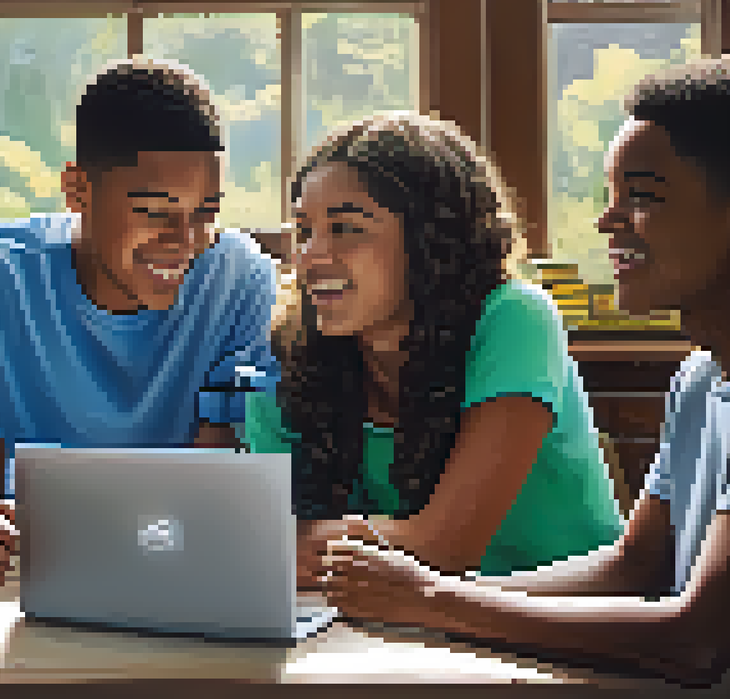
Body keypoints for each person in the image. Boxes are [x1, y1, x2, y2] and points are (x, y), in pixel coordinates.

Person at [321, 58, 730, 687]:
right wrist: (411, 606)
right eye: (611, 197)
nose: (608, 221)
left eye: (643, 198)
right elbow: (634, 569)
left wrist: (432, 603)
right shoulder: (699, 379)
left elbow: (695, 639)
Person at [0, 57, 281, 584]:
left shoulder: (244, 282)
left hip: (180, 568)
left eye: (205, 213)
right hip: (29, 571)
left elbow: (217, 484)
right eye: (156, 212)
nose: (185, 242)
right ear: (78, 190)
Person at [244, 111, 625, 584]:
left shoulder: (513, 316)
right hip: (388, 623)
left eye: (346, 229)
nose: (311, 256)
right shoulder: (290, 349)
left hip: (558, 618)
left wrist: (292, 541)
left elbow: (445, 546)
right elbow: (264, 540)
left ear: (430, 241)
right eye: (304, 231)